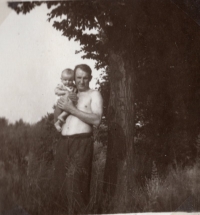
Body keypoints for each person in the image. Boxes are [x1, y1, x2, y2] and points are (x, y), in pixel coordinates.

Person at [54, 64, 103, 214]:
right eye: (78, 78)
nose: (81, 81)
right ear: (74, 78)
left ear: (90, 78)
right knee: (61, 187)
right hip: (63, 143)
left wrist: (72, 109)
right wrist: (61, 105)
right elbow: (56, 119)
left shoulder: (94, 94)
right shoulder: (70, 93)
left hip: (81, 143)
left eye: (85, 78)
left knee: (78, 187)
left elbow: (96, 120)